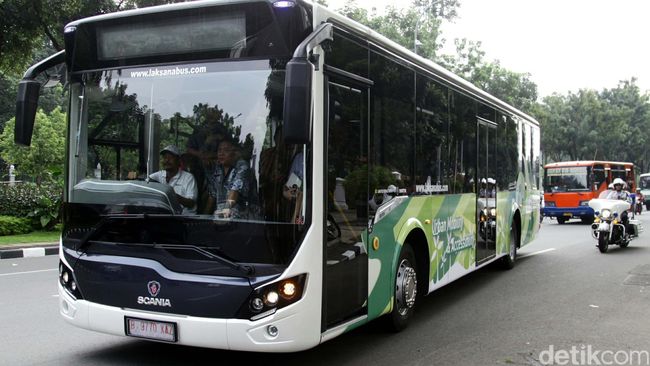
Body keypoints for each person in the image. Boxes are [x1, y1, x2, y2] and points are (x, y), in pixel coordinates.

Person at [205, 139, 255, 219]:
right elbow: (212, 196)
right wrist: (204, 217)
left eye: (226, 150)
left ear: (235, 153)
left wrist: (226, 210)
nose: (221, 153)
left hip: (241, 219)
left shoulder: (242, 166)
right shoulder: (218, 169)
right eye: (219, 150)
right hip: (220, 218)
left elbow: (235, 190)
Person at [149, 145, 198, 215]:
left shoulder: (188, 177)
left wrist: (171, 195)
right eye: (165, 157)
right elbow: (144, 182)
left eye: (170, 157)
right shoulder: (158, 175)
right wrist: (136, 177)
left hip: (185, 219)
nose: (167, 160)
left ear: (179, 160)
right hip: (165, 217)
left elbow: (191, 203)